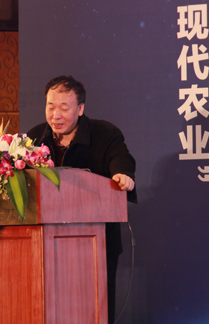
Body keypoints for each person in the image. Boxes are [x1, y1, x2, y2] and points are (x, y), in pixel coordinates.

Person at [27, 75, 136, 324]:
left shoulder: (104, 133)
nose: (55, 115)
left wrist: (123, 174)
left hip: (97, 244)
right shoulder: (33, 139)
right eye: (50, 107)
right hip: (46, 246)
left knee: (94, 311)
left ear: (80, 109)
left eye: (64, 108)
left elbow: (120, 158)